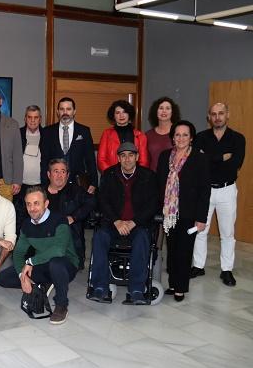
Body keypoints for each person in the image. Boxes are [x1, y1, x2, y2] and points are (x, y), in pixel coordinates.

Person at [0, 186, 79, 324]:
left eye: (36, 203)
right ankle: (44, 283)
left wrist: (30, 262)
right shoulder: (26, 225)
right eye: (29, 204)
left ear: (46, 204)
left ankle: (61, 305)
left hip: (65, 264)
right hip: (41, 263)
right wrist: (22, 277)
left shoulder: (59, 220)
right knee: (3, 278)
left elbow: (59, 250)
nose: (32, 208)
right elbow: (18, 253)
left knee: (56, 263)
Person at [89, 142, 158, 305]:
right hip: (114, 224)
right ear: (118, 158)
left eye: (131, 155)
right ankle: (100, 287)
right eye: (123, 155)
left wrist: (134, 222)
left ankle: (136, 290)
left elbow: (153, 204)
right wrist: (117, 221)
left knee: (142, 238)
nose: (127, 159)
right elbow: (103, 202)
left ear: (137, 157)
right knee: (99, 237)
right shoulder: (108, 175)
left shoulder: (149, 176)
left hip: (138, 225)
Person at [191, 103, 246, 286]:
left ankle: (226, 270)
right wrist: (221, 157)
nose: (217, 117)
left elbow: (235, 163)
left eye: (221, 113)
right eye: (213, 114)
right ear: (209, 117)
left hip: (227, 189)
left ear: (227, 115)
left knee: (227, 232)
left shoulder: (238, 138)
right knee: (200, 230)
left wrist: (208, 157)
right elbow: (198, 163)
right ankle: (198, 266)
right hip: (204, 190)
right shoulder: (200, 138)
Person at [157, 121, 210, 301]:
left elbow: (204, 190)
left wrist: (201, 218)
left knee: (184, 251)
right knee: (171, 249)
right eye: (177, 135)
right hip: (169, 214)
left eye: (185, 135)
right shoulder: (165, 156)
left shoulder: (199, 158)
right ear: (173, 137)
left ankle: (181, 287)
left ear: (191, 138)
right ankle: (172, 284)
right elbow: (159, 185)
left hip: (189, 213)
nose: (180, 138)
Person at [44, 159, 96, 270]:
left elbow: (92, 202)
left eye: (63, 172)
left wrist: (74, 217)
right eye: (56, 171)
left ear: (67, 175)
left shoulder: (76, 191)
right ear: (49, 174)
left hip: (68, 241)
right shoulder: (40, 192)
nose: (59, 175)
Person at [41, 97, 97, 194]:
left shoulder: (84, 131)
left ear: (74, 111)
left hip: (78, 184)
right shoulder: (47, 132)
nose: (65, 112)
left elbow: (90, 159)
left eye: (68, 109)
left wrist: (94, 182)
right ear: (58, 112)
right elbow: (44, 160)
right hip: (54, 184)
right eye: (62, 109)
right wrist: (45, 183)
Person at [13, 105, 46, 233]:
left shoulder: (47, 134)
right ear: (25, 119)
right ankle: (19, 249)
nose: (33, 120)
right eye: (30, 117)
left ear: (40, 119)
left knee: (38, 219)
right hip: (20, 185)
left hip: (40, 185)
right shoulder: (17, 134)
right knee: (19, 220)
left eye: (36, 117)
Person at [97, 100, 149, 172]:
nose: (121, 115)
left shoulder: (140, 136)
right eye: (118, 113)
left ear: (129, 114)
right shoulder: (107, 134)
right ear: (113, 116)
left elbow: (144, 161)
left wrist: (136, 176)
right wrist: (111, 175)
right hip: (111, 177)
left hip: (135, 178)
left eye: (124, 112)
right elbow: (101, 159)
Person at [146, 97, 181, 172]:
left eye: (168, 108)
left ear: (172, 112)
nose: (164, 111)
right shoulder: (148, 135)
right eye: (161, 108)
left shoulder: (179, 133)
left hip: (174, 177)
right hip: (153, 178)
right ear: (156, 111)